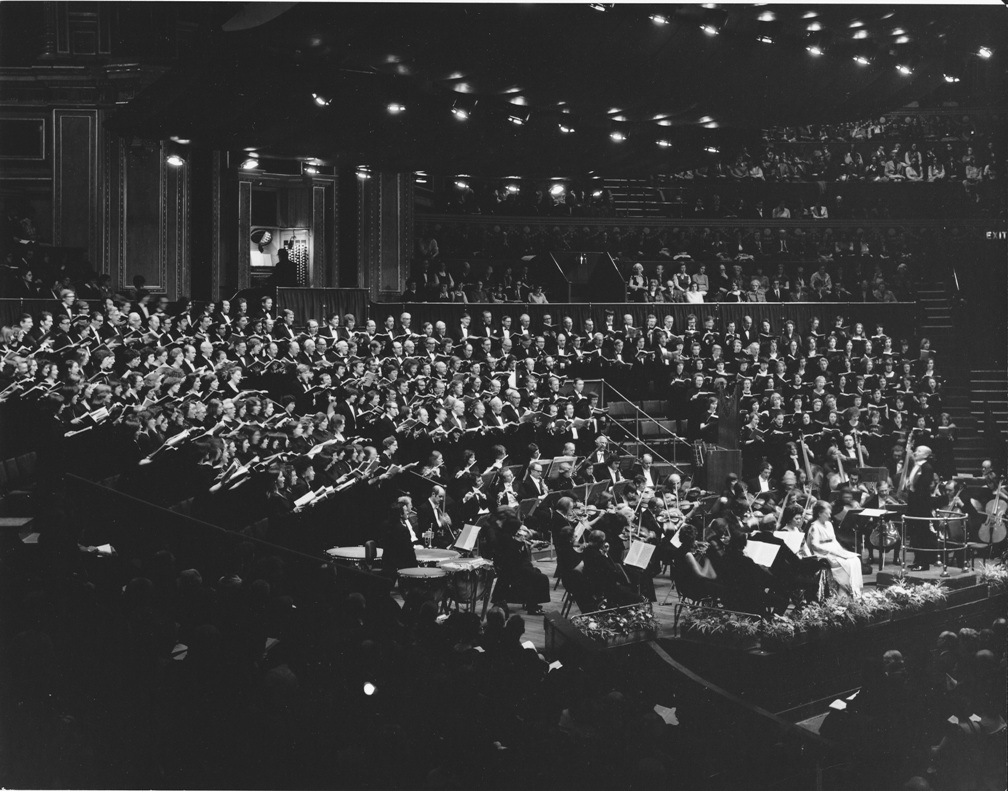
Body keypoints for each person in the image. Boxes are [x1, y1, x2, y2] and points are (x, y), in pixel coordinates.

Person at [799, 499, 863, 598]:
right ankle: (844, 591)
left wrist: (841, 551)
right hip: (822, 553)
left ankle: (854, 590)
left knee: (855, 560)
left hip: (834, 550)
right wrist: (830, 550)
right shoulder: (815, 526)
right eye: (827, 513)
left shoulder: (829, 524)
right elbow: (814, 545)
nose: (829, 516)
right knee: (847, 564)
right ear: (820, 514)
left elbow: (834, 540)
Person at [904, 443, 939, 571]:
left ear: (925, 455)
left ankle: (923, 563)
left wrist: (912, 488)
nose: (915, 453)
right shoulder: (917, 466)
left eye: (918, 451)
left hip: (921, 506)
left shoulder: (927, 467)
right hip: (914, 504)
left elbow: (923, 487)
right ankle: (917, 559)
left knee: (921, 534)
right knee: (914, 534)